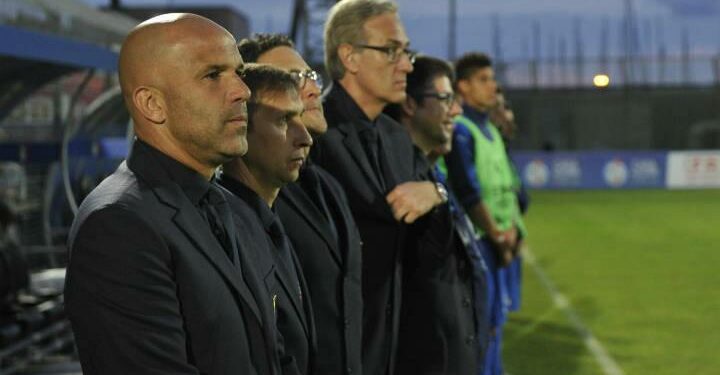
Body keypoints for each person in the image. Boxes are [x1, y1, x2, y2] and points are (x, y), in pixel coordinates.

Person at [64, 14, 278, 375]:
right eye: (213, 75)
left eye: (238, 72)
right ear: (152, 104)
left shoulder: (231, 205)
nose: (243, 91)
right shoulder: (118, 225)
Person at [314, 1, 447, 374]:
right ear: (349, 57)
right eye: (391, 50)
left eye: (406, 51)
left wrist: (436, 194)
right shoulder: (311, 139)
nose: (406, 64)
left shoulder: (396, 138)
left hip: (396, 351)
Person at [238, 34, 363, 375]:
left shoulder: (328, 185)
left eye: (311, 76)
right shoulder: (249, 196)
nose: (310, 88)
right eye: (293, 78)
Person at [386, 55, 491, 375]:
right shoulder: (398, 180)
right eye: (446, 99)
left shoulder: (432, 178)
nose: (457, 111)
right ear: (409, 105)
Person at [219, 65, 316, 375]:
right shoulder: (225, 229)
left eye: (301, 117)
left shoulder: (268, 217)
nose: (305, 138)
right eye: (284, 120)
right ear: (240, 124)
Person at [444, 52, 527, 375]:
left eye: (492, 79)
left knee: (496, 320)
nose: (493, 86)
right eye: (484, 79)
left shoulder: (489, 130)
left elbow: (506, 188)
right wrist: (497, 235)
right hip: (480, 242)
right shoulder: (462, 130)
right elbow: (469, 192)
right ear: (462, 87)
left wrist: (514, 233)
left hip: (500, 242)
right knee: (481, 327)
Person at [489, 89, 529, 313]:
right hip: (498, 239)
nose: (508, 115)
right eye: (502, 108)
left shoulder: (500, 145)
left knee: (500, 315)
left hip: (509, 236)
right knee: (492, 320)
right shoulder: (482, 141)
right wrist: (501, 232)